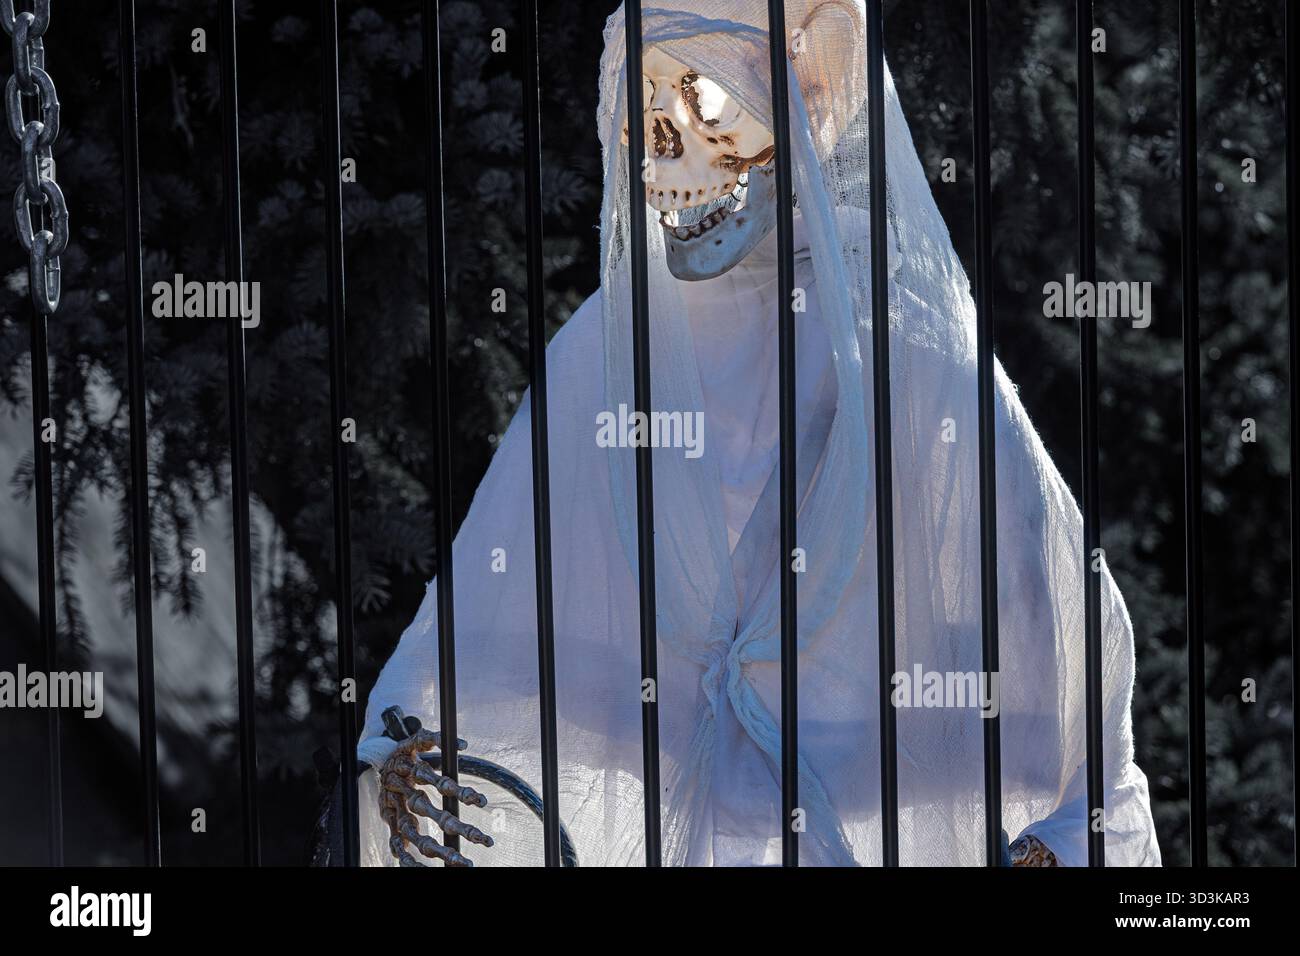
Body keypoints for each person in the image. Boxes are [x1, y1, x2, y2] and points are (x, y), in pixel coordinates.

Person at [345, 0, 1161, 867]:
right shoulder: (612, 344)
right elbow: (498, 576)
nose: (658, 148)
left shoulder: (903, 339)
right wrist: (405, 729)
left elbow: (1052, 615)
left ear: (803, 104)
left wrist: (1067, 835)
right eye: (640, 106)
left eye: (699, 99)